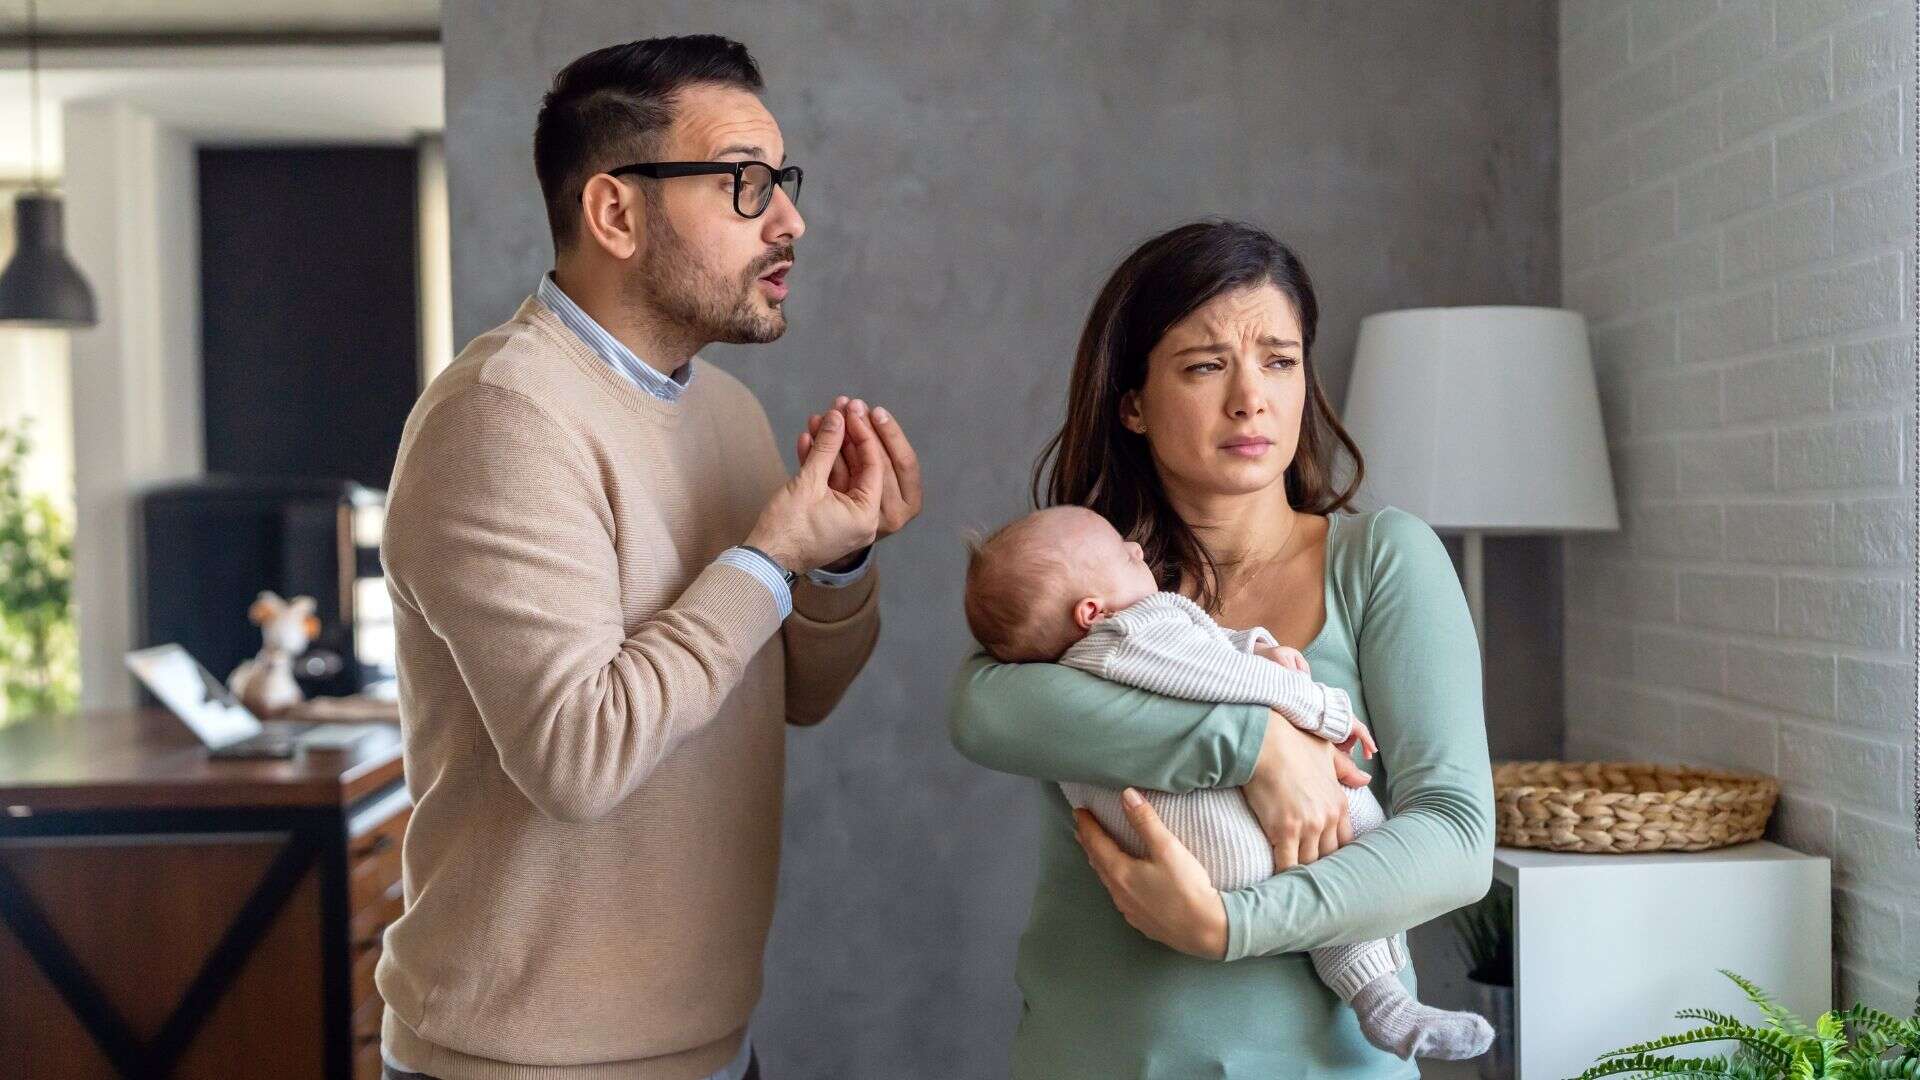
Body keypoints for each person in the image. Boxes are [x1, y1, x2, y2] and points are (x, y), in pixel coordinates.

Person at [377, 35, 921, 1080]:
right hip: (526, 1064)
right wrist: (770, 554)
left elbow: (789, 693)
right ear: (616, 213)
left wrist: (836, 564)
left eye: (783, 184)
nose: (791, 221)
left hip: (711, 1044)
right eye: (745, 186)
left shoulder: (728, 413)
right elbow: (580, 757)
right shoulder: (502, 418)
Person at [947, 219, 1493, 1078]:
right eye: (1205, 366)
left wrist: (1235, 926)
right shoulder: (1081, 591)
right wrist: (1257, 745)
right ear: (1130, 401)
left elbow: (1456, 836)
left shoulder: (1383, 558)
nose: (1252, 399)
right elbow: (982, 713)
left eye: (1279, 359)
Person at [962, 504, 1493, 1060]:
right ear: (1090, 611)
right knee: (1352, 820)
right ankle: (1377, 993)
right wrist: (1313, 716)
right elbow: (1209, 670)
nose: (1137, 552)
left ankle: (1380, 998)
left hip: (1205, 880)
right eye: (1122, 553)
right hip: (1218, 854)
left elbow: (1202, 654)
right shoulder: (1126, 632)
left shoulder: (1075, 658)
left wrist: (1258, 648)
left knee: (1335, 838)